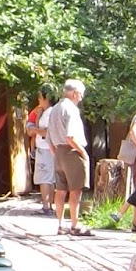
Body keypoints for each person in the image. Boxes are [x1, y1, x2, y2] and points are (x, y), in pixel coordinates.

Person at [48, 78, 92, 236]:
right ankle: (75, 224)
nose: (81, 97)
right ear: (75, 93)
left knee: (60, 190)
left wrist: (56, 153)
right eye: (81, 94)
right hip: (72, 152)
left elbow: (48, 137)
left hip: (58, 152)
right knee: (75, 190)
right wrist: (83, 152)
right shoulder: (71, 110)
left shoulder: (54, 109)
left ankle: (60, 224)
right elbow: (70, 136)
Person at [27, 87, 56, 214]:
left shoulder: (48, 113)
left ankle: (46, 206)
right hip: (50, 149)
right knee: (50, 178)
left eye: (40, 97)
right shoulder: (50, 112)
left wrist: (34, 130)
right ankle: (49, 205)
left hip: (45, 148)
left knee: (44, 178)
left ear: (46, 98)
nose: (38, 100)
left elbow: (46, 132)